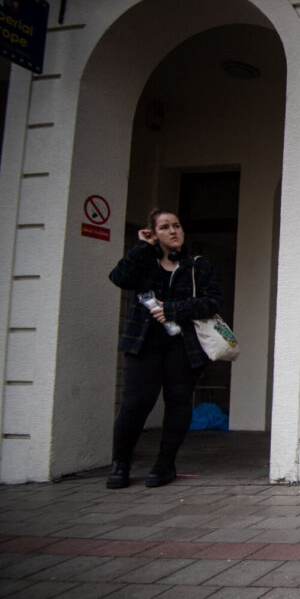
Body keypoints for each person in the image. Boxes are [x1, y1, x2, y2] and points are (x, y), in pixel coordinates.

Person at [106, 209, 223, 488]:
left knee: (178, 403)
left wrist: (173, 309)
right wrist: (142, 247)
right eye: (165, 227)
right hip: (144, 344)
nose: (173, 231)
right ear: (153, 233)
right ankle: (120, 463)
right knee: (135, 404)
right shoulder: (144, 262)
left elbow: (212, 302)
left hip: (183, 347)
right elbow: (119, 278)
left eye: (177, 226)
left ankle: (165, 462)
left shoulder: (199, 266)